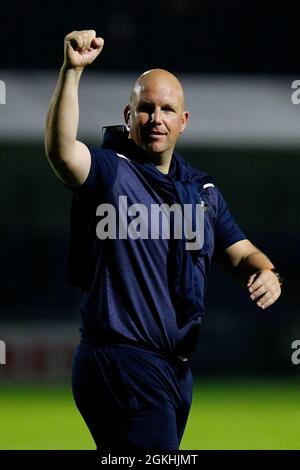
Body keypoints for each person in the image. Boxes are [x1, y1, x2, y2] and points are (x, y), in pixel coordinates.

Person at [45, 30, 282, 451]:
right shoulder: (110, 172)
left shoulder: (201, 192)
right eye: (146, 109)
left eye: (167, 110)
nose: (156, 118)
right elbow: (62, 151)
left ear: (183, 121)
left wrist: (266, 271)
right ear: (128, 115)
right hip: (122, 358)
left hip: (174, 369)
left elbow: (241, 252)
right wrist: (71, 72)